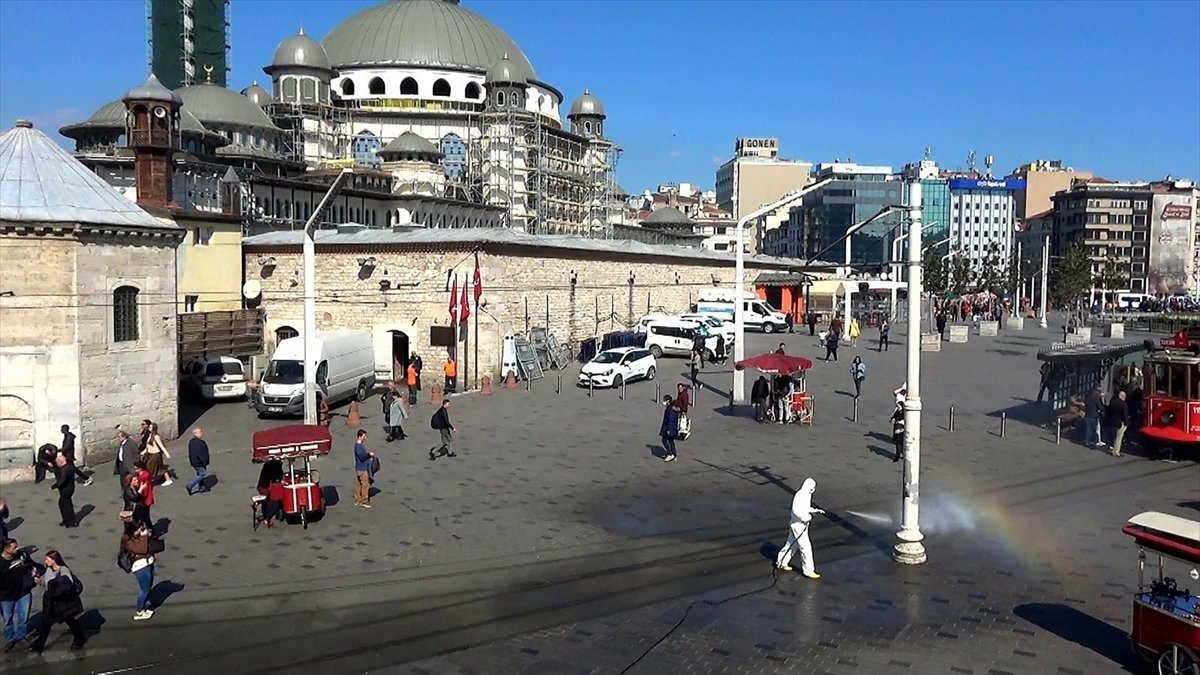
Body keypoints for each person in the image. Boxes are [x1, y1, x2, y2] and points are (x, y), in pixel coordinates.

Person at [27, 550, 86, 653]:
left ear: (54, 560)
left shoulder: (64, 570)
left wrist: (53, 586)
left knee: (70, 621)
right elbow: (45, 583)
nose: (45, 561)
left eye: (47, 559)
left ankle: (79, 639)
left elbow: (66, 586)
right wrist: (37, 577)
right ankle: (39, 645)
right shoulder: (49, 570)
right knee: (46, 624)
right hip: (50, 603)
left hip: (62, 603)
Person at [775, 478, 824, 578]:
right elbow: (796, 511)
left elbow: (805, 508)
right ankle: (808, 571)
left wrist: (815, 510)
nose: (813, 490)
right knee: (805, 547)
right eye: (812, 488)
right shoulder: (800, 495)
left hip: (800, 524)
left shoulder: (807, 494)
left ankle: (781, 562)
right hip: (798, 525)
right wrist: (807, 517)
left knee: (791, 544)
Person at [1, 537, 36, 652]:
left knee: (23, 617)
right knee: (7, 620)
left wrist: (35, 571)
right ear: (6, 549)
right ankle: (11, 639)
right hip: (6, 596)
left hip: (23, 592)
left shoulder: (22, 555)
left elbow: (32, 564)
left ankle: (21, 636)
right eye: (14, 547)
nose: (18, 548)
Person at [120, 522, 156, 620]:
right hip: (140, 567)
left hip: (148, 563)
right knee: (144, 590)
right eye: (138, 529)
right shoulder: (128, 541)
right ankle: (140, 611)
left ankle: (143, 606)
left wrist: (148, 534)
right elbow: (143, 549)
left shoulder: (136, 537)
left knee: (148, 586)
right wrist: (144, 537)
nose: (140, 529)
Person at [255, 460, 285, 528]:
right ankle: (267, 518)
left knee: (267, 500)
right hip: (268, 488)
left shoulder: (268, 467)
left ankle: (267, 516)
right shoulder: (274, 468)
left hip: (264, 486)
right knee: (273, 502)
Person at [51, 453, 78, 528]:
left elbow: (62, 480)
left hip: (65, 490)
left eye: (57, 462)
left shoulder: (64, 470)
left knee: (66, 506)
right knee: (64, 504)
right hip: (70, 488)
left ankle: (70, 522)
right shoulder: (70, 467)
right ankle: (67, 520)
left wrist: (55, 486)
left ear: (60, 462)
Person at [141, 422, 172, 486]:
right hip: (149, 454)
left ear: (153, 428)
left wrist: (167, 454)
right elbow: (148, 446)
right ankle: (164, 478)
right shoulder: (150, 435)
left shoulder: (156, 436)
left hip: (155, 455)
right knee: (152, 467)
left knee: (155, 467)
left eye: (150, 427)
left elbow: (161, 446)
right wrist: (143, 452)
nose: (149, 428)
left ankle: (168, 479)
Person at [185, 428, 210, 495]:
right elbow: (200, 454)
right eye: (200, 432)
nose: (202, 433)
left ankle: (202, 487)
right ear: (196, 434)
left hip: (193, 461)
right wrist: (204, 461)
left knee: (199, 473)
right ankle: (190, 485)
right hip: (199, 462)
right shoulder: (200, 443)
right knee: (202, 474)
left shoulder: (191, 442)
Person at [353, 430, 375, 509]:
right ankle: (364, 501)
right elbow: (362, 457)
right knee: (365, 485)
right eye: (364, 436)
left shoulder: (359, 445)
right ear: (360, 436)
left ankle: (358, 499)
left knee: (359, 484)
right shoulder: (358, 446)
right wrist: (369, 455)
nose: (365, 438)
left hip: (359, 468)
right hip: (362, 468)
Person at [132, 462, 155, 532]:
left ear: (140, 468)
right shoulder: (142, 474)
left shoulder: (144, 476)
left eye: (136, 469)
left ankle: (151, 530)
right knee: (144, 515)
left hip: (145, 498)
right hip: (145, 497)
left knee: (145, 516)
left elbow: (145, 489)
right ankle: (149, 529)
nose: (135, 470)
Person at [1108, 388, 1129, 458]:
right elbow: (1125, 415)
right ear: (1122, 397)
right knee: (1119, 437)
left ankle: (1113, 449)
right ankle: (1116, 452)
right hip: (1121, 423)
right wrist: (1126, 423)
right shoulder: (1124, 404)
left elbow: (1109, 411)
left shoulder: (1112, 401)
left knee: (1114, 436)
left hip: (1113, 421)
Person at [1084, 383, 1106, 447]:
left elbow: (1086, 403)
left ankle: (1087, 440)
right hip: (1094, 415)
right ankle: (1097, 441)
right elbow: (1099, 406)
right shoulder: (1095, 397)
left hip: (1088, 413)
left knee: (1088, 429)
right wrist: (1103, 409)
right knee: (1097, 428)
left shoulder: (1087, 395)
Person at [659, 396, 680, 463]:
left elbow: (670, 420)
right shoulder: (672, 408)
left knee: (664, 440)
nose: (664, 402)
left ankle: (670, 454)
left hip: (668, 428)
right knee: (671, 441)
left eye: (664, 400)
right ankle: (674, 454)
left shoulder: (669, 410)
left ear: (668, 401)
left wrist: (668, 430)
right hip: (672, 428)